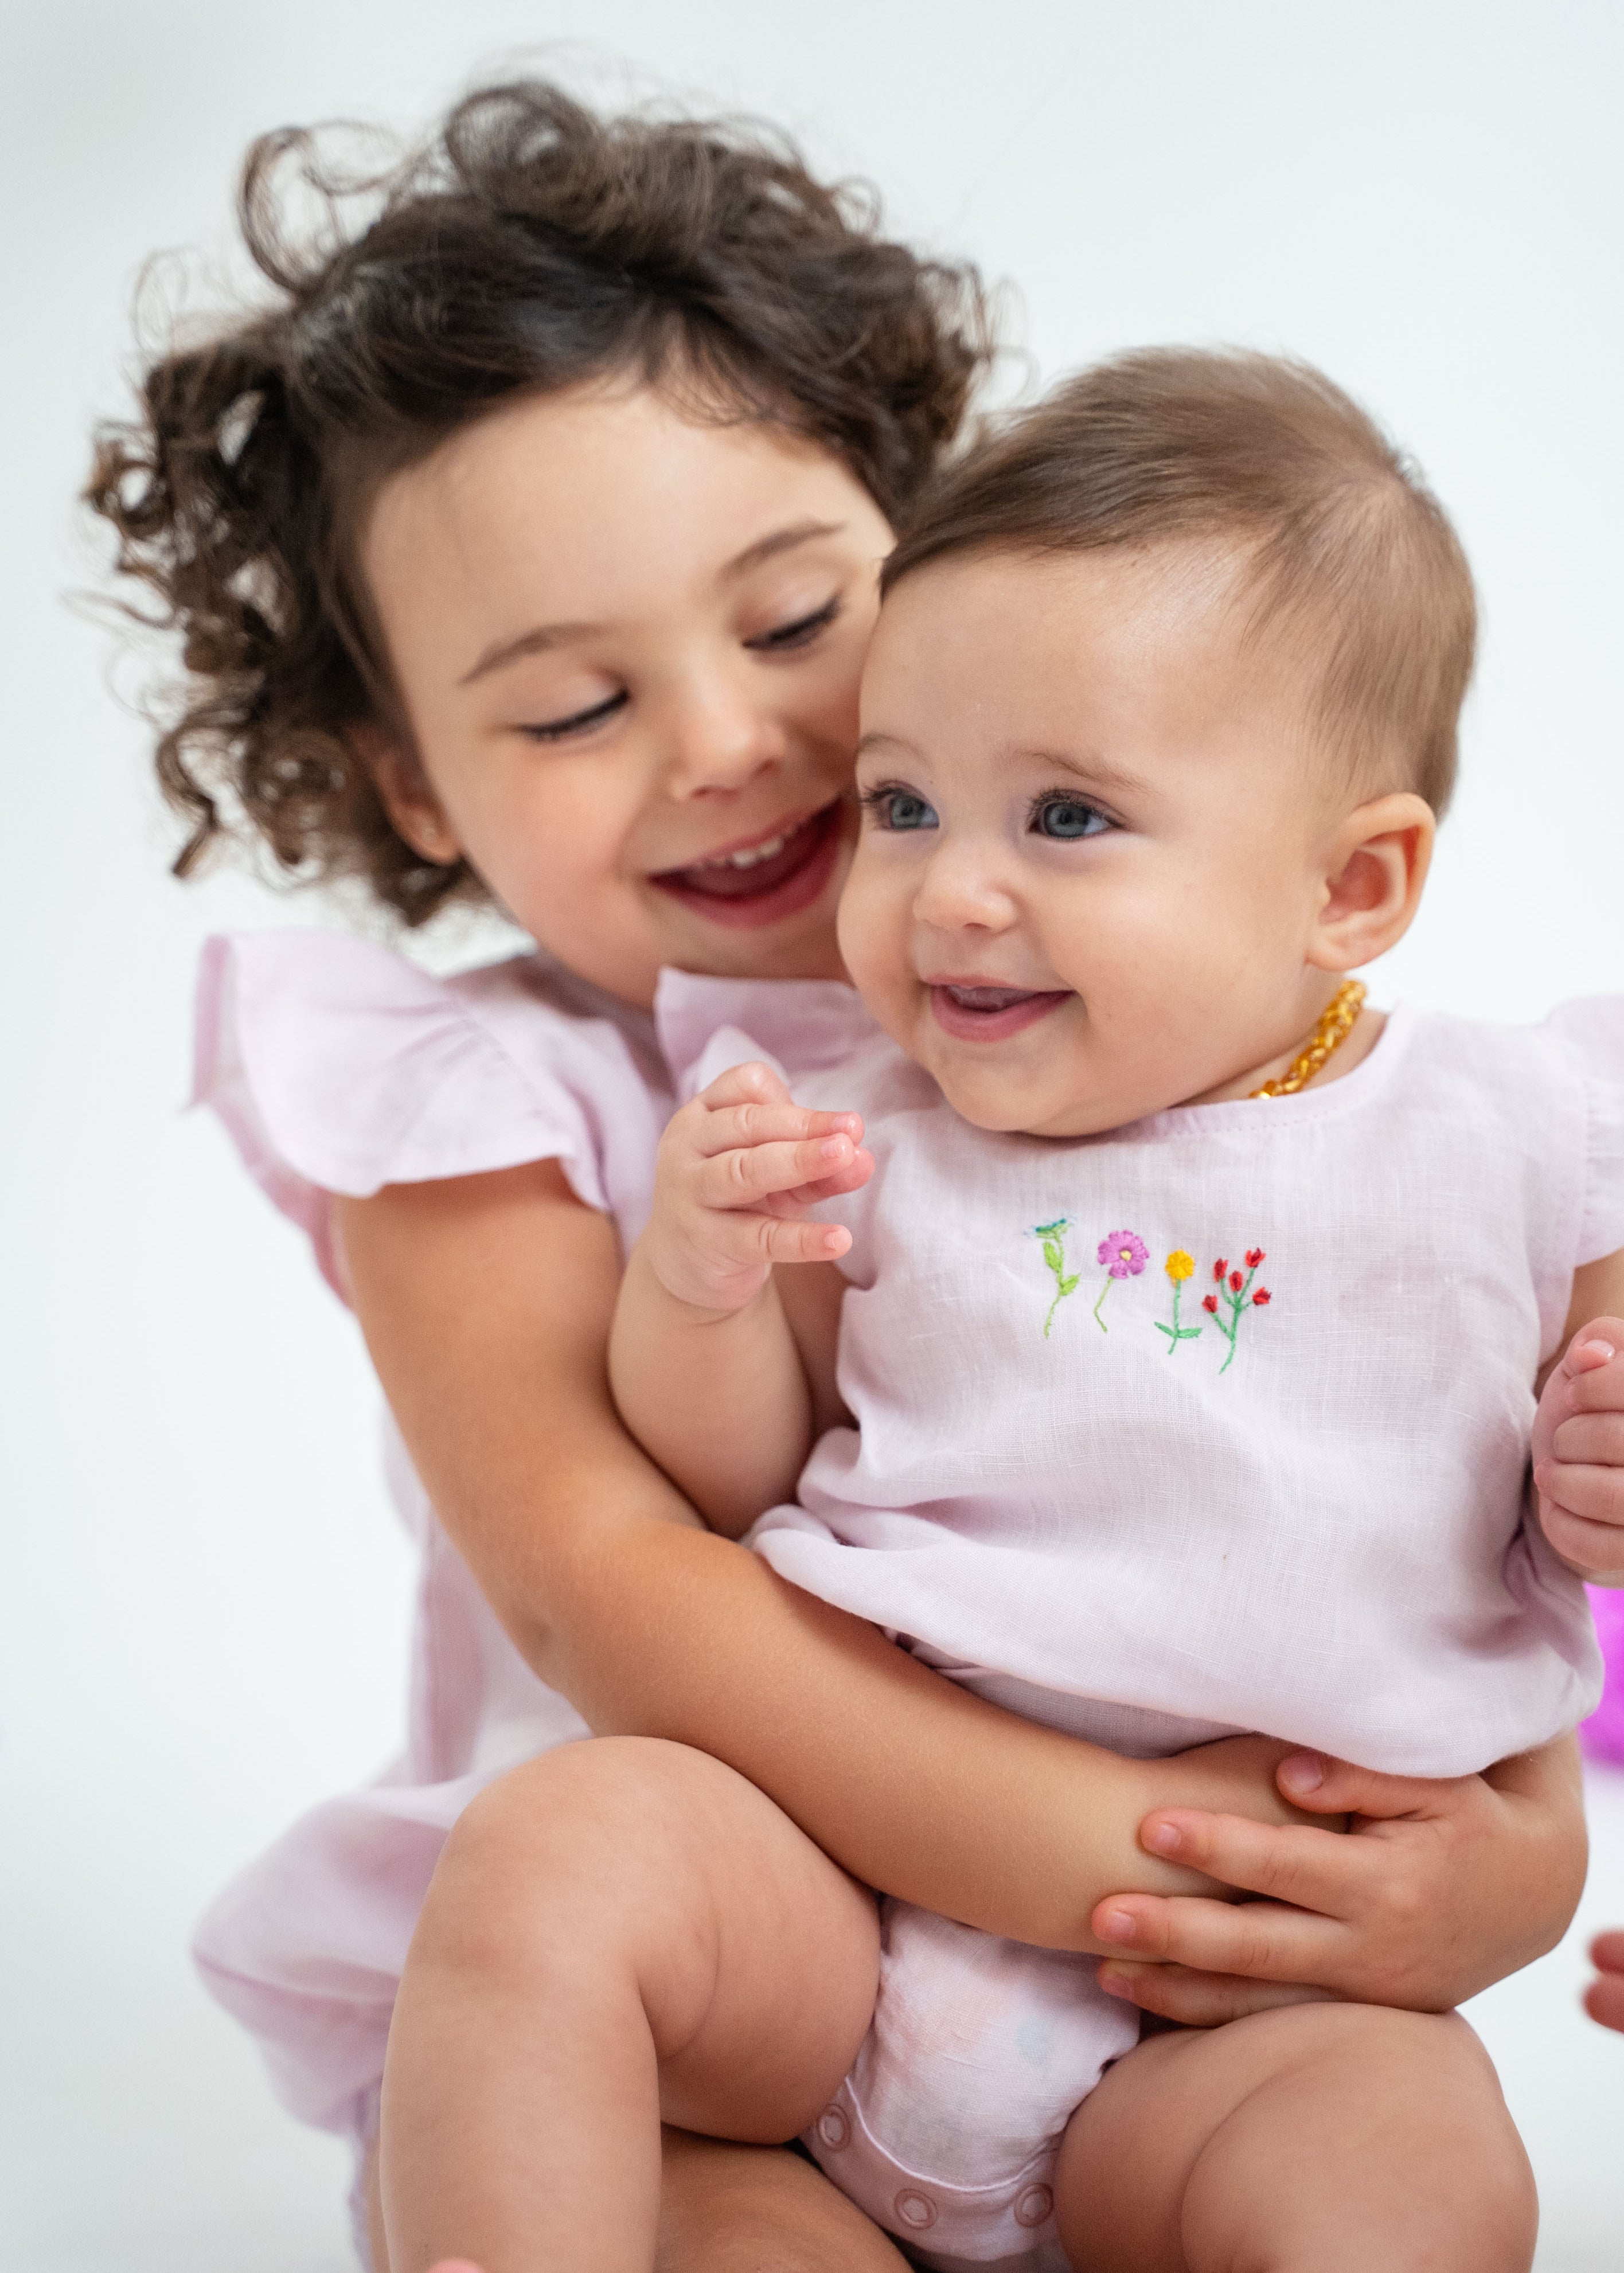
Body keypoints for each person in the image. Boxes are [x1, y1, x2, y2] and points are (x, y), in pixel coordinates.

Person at [87, 84, 1596, 2273]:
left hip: (1205, 2033)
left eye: (797, 622)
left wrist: (1512, 1861)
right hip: (753, 2002)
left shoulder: (1210, 1043)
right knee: (564, 1868)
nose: (726, 740)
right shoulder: (481, 1099)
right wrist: (1154, 1857)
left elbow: (1392, 1506)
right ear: (414, 781)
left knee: (1403, 2170)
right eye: (575, 703)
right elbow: (618, 1583)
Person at [379, 350, 1624, 2273]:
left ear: (1354, 884)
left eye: (1065, 820)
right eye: (902, 802)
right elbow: (731, 1475)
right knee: (558, 1851)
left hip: (1255, 2017)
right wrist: (702, 1284)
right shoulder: (860, 1122)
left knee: (1405, 2186)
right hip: (827, 1919)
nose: (950, 891)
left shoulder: (1521, 1140)